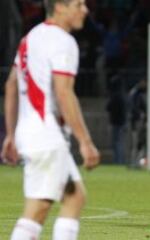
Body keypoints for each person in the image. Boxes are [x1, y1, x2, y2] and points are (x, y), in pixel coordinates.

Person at [1, 1, 100, 239]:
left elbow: (11, 85)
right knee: (37, 209)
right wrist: (85, 141)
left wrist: (12, 135)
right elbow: (64, 92)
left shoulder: (31, 38)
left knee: (74, 196)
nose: (84, 10)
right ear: (60, 7)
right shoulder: (63, 41)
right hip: (46, 135)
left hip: (32, 133)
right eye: (78, 4)